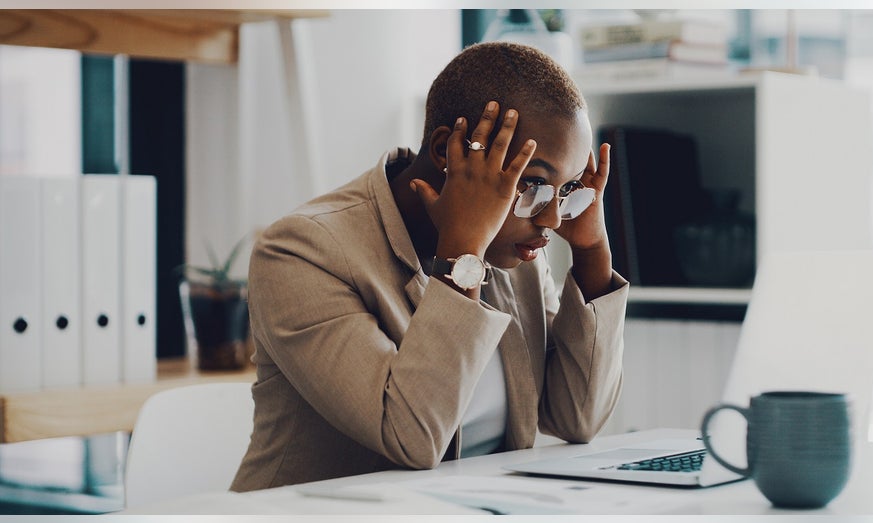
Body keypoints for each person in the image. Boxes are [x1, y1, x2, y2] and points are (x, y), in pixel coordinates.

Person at [230, 41, 629, 492]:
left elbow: (578, 418)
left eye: (568, 187)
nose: (552, 219)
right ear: (448, 151)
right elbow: (411, 437)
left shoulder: (514, 255)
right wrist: (462, 251)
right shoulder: (301, 252)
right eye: (534, 183)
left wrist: (593, 251)